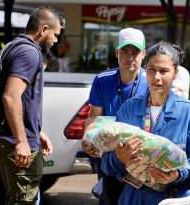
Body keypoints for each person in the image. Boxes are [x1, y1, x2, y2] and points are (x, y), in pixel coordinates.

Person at [100, 41, 190, 205]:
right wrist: (118, 157)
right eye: (152, 69)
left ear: (175, 73)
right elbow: (106, 163)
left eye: (164, 71)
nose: (157, 77)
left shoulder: (189, 112)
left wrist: (178, 174)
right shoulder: (128, 109)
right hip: (133, 198)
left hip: (173, 198)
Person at [0, 6, 64, 204]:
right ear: (43, 29)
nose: (56, 40)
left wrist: (37, 131)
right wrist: (22, 141)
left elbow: (23, 100)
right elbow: (11, 97)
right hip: (14, 144)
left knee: (1, 198)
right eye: (55, 35)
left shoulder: (12, 46)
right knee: (25, 200)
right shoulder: (29, 53)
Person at [81, 27, 149, 205]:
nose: (130, 57)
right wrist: (87, 137)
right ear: (117, 53)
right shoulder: (102, 80)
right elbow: (94, 116)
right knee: (110, 199)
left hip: (139, 153)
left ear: (143, 54)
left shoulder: (151, 82)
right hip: (110, 153)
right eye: (125, 51)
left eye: (135, 52)